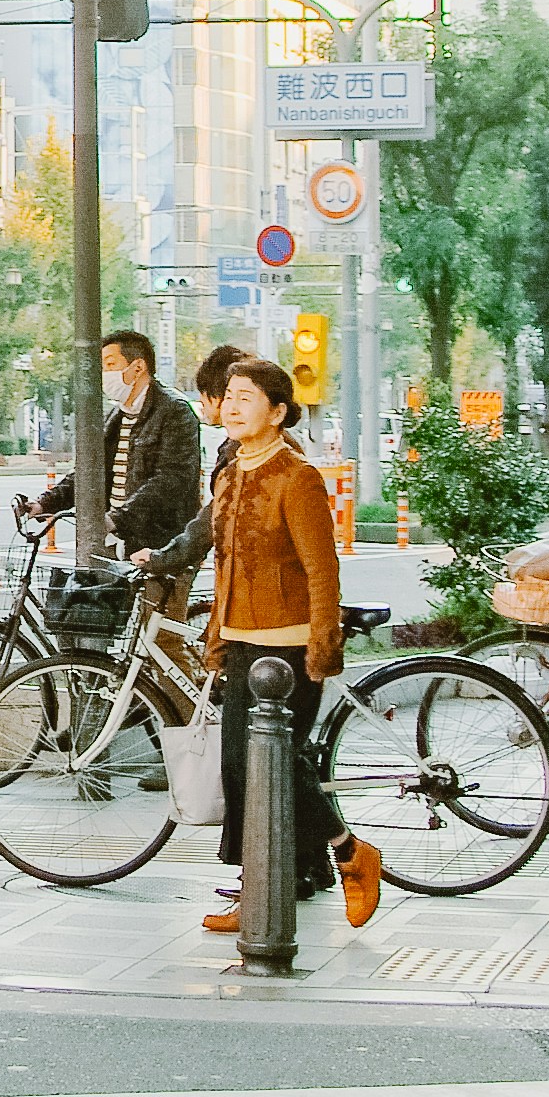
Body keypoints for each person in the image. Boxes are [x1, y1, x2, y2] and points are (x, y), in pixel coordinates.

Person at [136, 356, 379, 931]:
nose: (234, 405)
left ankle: (349, 853)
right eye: (230, 395)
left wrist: (324, 644)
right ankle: (261, 889)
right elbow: (224, 566)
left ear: (277, 412)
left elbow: (323, 570)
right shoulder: (230, 474)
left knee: (278, 766)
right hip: (242, 643)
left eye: (249, 397)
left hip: (289, 649)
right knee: (243, 774)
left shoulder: (296, 477)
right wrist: (216, 636)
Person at [33, 330, 205, 558]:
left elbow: (171, 479)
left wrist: (118, 518)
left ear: (138, 367)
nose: (104, 374)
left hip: (159, 545)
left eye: (110, 364)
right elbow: (89, 473)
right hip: (115, 540)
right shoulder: (116, 415)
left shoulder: (174, 411)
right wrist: (44, 504)